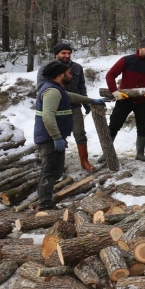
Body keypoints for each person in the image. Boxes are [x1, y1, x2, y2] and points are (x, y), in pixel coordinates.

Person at [34, 61, 107, 210]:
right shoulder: (52, 91)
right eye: (69, 73)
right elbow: (47, 117)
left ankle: (45, 200)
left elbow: (72, 96)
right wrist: (56, 138)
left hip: (52, 138)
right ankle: (44, 205)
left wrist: (91, 100)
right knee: (50, 170)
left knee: (55, 170)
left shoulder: (55, 89)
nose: (71, 75)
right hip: (50, 139)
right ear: (60, 75)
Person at [99, 37, 145, 162]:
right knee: (114, 125)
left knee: (143, 127)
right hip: (124, 99)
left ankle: (140, 153)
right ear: (140, 48)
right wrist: (115, 92)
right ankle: (106, 152)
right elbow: (110, 75)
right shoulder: (126, 60)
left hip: (144, 101)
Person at [37, 43, 95, 170]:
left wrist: (86, 103)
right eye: (63, 53)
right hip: (55, 108)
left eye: (69, 53)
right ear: (56, 54)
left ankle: (84, 161)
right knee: (55, 135)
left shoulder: (77, 68)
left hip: (74, 106)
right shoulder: (46, 68)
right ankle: (55, 164)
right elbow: (41, 88)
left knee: (80, 133)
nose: (66, 56)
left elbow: (81, 87)